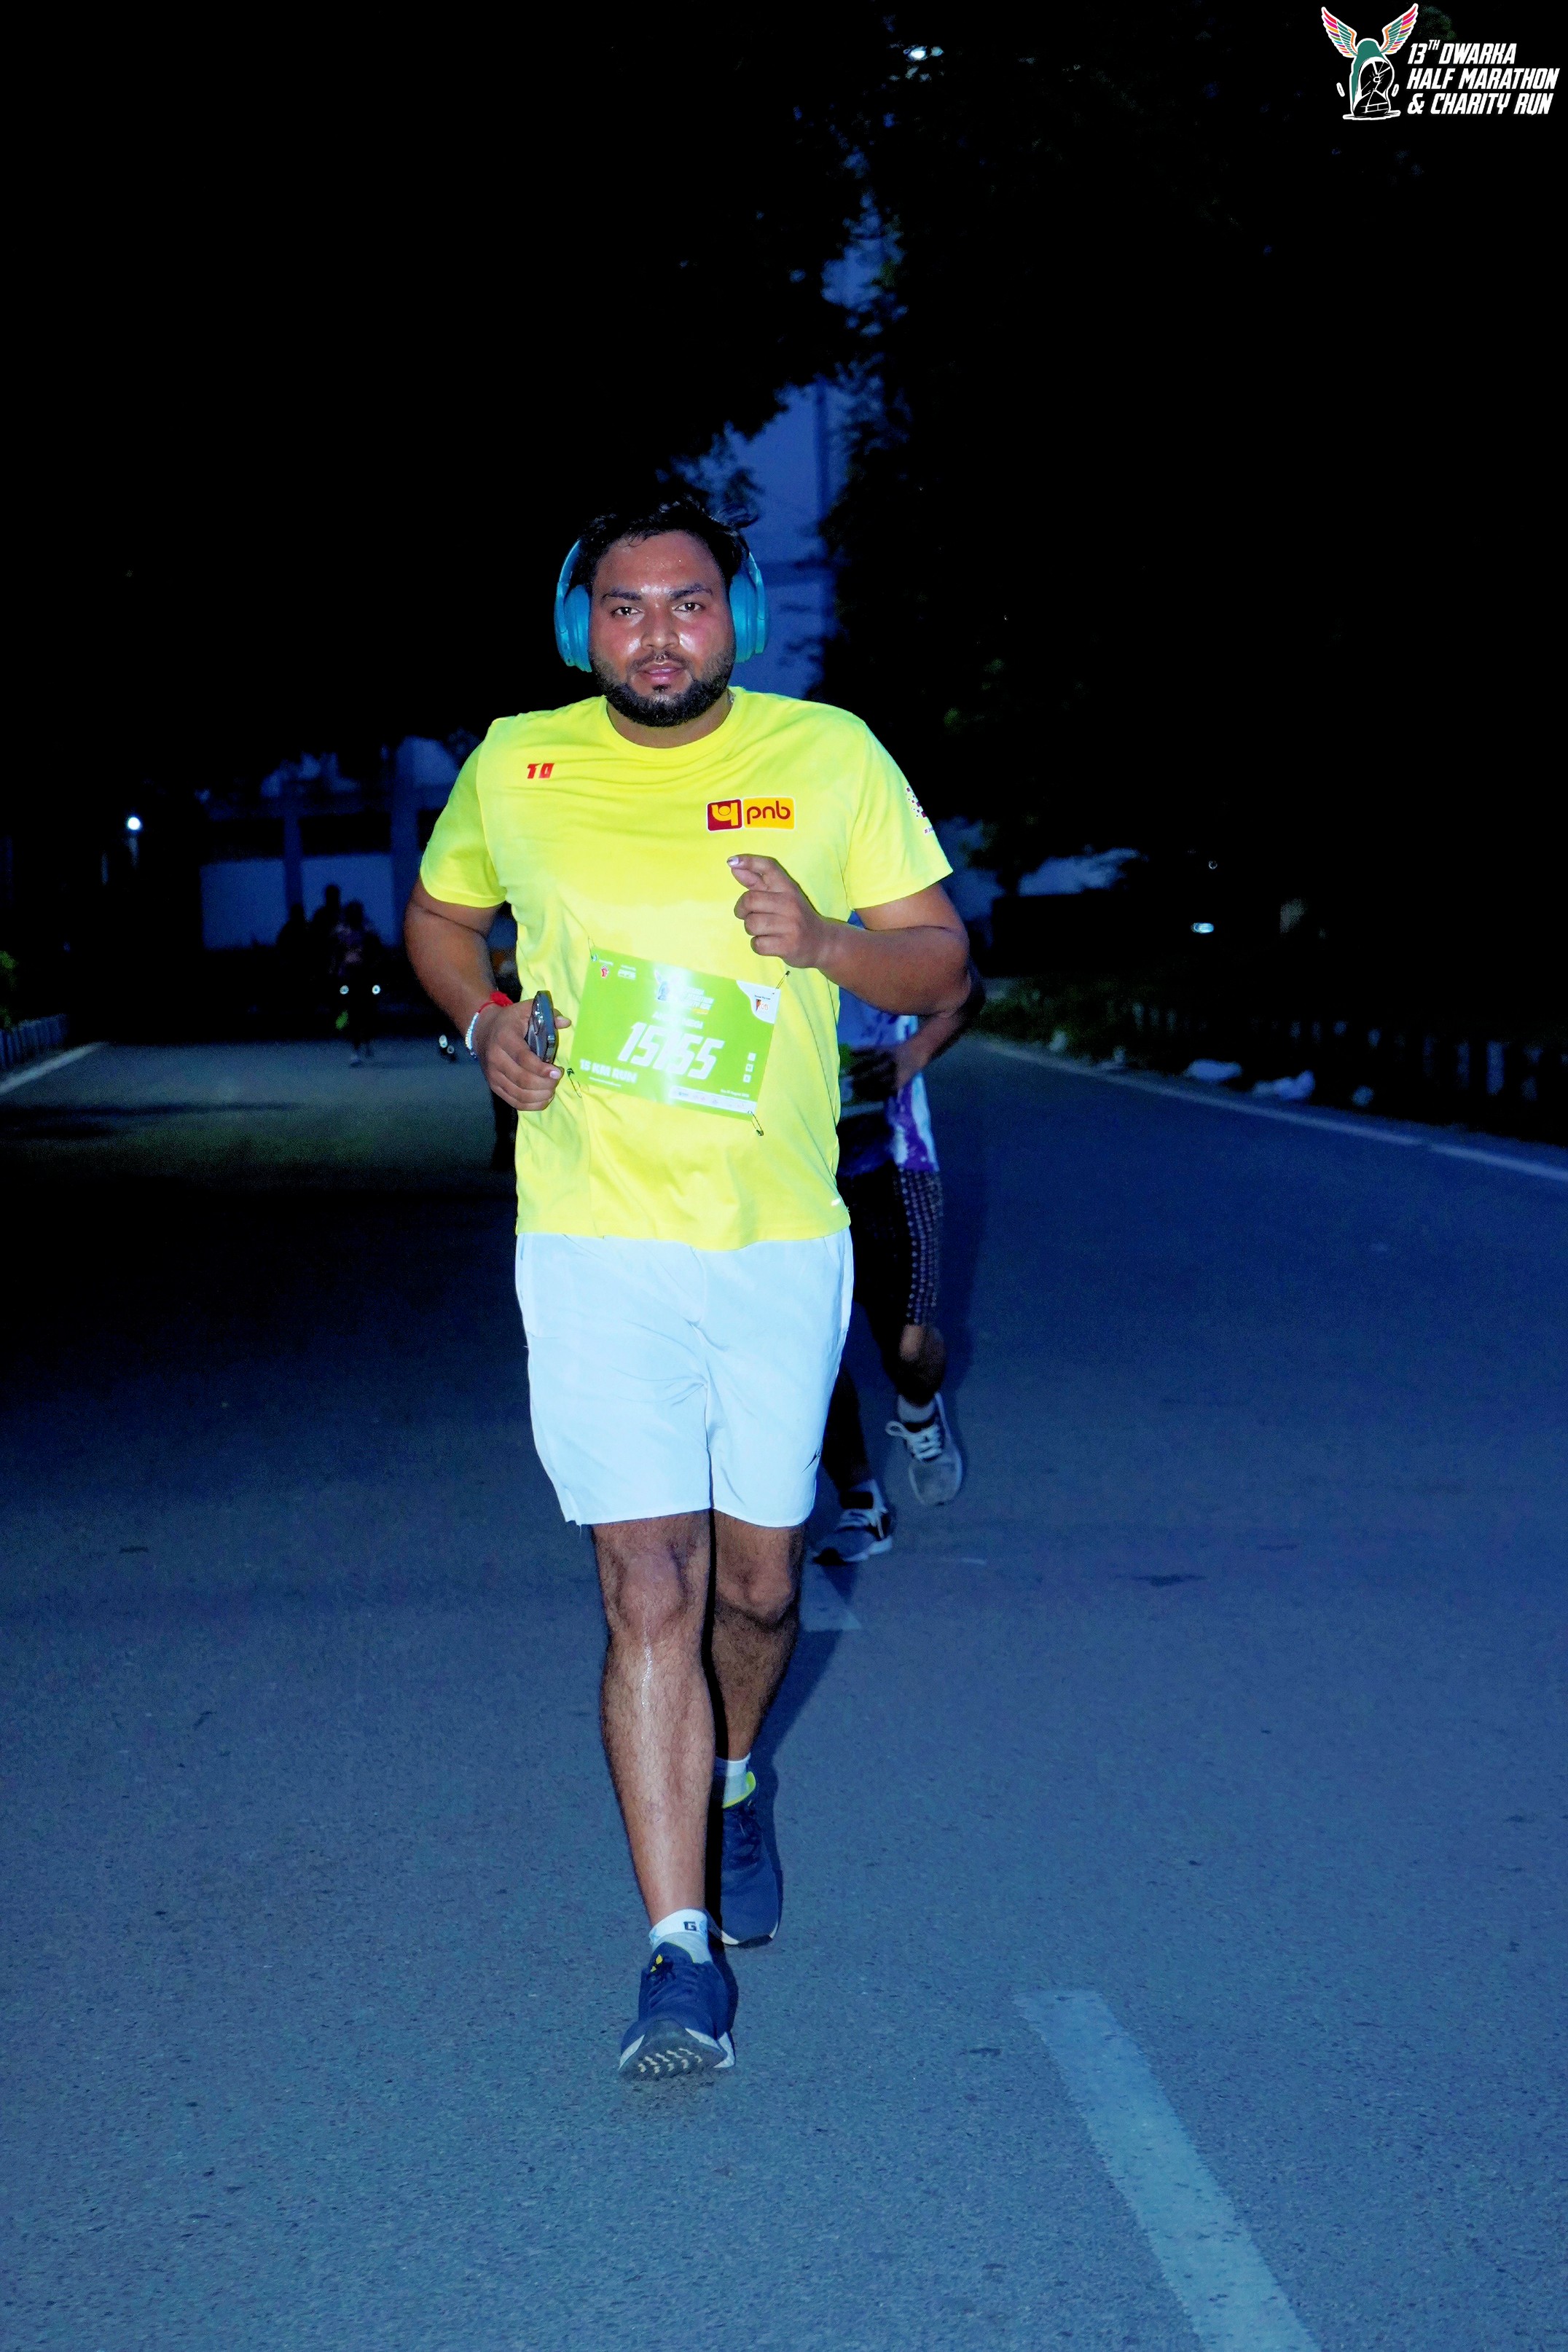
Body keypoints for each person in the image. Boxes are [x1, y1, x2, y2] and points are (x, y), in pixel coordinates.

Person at [404, 493, 968, 2082]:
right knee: (645, 1582)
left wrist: (826, 943)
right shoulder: (517, 760)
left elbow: (941, 959)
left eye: (688, 603)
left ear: (740, 616)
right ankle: (677, 1952)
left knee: (760, 1589)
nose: (658, 635)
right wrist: (482, 1022)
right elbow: (441, 919)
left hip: (774, 1235)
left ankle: (732, 1776)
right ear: (581, 625)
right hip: (591, 1237)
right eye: (626, 607)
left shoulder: (828, 755)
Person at [812, 969, 981, 1568]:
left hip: (893, 1159)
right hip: (789, 1174)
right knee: (812, 1353)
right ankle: (863, 1504)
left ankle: (918, 1409)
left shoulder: (875, 921)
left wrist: (912, 1054)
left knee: (908, 1349)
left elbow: (964, 987)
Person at [329, 898, 380, 1064]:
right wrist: (334, 970)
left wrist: (373, 969)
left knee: (367, 1010)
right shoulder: (340, 932)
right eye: (351, 914)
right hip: (347, 976)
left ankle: (366, 1039)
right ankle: (354, 1045)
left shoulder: (368, 930)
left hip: (365, 976)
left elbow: (376, 952)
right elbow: (335, 953)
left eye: (356, 913)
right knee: (351, 1011)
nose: (354, 917)